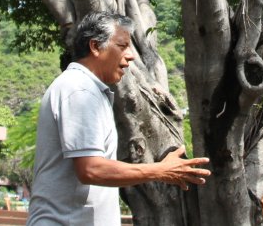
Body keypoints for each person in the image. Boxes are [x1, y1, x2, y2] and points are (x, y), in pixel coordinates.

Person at [26, 11, 211, 225]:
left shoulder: (89, 89)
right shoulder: (79, 89)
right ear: (95, 47)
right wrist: (160, 170)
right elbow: (91, 169)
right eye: (122, 46)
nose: (131, 55)